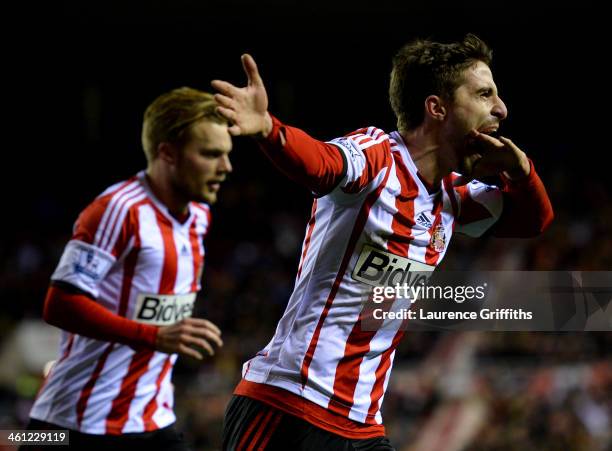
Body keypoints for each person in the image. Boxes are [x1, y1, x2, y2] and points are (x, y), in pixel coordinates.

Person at [212, 34, 554, 450]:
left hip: (362, 424)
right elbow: (321, 164)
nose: (501, 108)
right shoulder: (377, 156)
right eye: (484, 94)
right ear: (437, 108)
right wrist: (269, 129)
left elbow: (535, 220)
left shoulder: (452, 199)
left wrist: (522, 171)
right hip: (288, 404)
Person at [21, 87, 232, 451]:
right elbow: (59, 303)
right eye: (211, 154)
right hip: (74, 422)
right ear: (167, 153)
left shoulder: (199, 215)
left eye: (226, 154)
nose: (226, 167)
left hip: (153, 419)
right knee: (13, 439)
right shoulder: (117, 210)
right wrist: (154, 336)